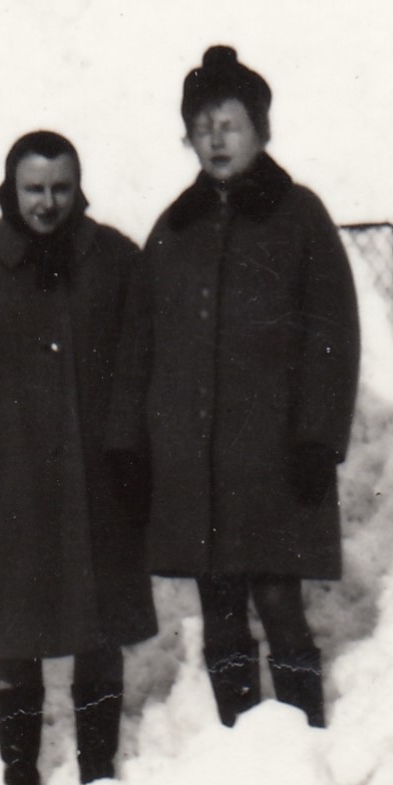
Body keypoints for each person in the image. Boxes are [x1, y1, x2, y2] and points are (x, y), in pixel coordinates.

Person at [114, 45, 360, 729]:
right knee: (219, 608)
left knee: (279, 601)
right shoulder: (175, 227)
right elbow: (139, 347)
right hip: (195, 467)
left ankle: (303, 736)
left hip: (273, 460)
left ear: (261, 130)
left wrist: (317, 438)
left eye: (230, 124)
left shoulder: (300, 217)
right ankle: (237, 739)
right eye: (202, 127)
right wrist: (132, 443)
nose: (216, 139)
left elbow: (332, 337)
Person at [0, 130, 156, 785]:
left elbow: (145, 362)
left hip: (98, 481)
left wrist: (134, 451)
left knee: (97, 629)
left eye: (60, 188)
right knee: (13, 635)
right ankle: (21, 779)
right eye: (33, 189)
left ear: (77, 188)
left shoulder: (115, 260)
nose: (47, 203)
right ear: (10, 189)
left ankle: (97, 770)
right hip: (7, 487)